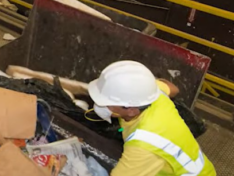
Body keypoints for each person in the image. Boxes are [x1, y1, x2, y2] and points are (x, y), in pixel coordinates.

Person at [88, 61, 216, 176]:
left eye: (106, 102)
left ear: (132, 110)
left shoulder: (143, 145)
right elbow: (173, 89)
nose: (99, 105)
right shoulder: (153, 95)